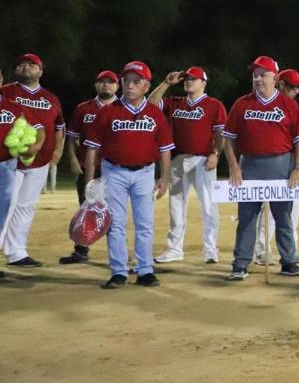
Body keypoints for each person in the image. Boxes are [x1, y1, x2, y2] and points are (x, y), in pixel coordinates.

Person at [83, 61, 174, 289]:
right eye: (126, 81)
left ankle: (145, 271)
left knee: (145, 224)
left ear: (146, 86)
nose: (130, 85)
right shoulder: (106, 112)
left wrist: (164, 178)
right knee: (115, 224)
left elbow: (165, 150)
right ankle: (119, 272)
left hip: (145, 173)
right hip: (114, 172)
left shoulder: (155, 113)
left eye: (136, 81)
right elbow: (92, 149)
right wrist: (91, 181)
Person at [222, 56, 299, 281]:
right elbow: (229, 140)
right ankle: (241, 264)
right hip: (249, 164)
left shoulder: (289, 104)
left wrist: (297, 168)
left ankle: (288, 261)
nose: (258, 79)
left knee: (283, 216)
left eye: (263, 75)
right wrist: (234, 167)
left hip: (281, 164)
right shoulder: (242, 103)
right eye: (255, 75)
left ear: (275, 78)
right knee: (247, 217)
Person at [148, 66, 227, 264]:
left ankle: (210, 250)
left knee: (209, 206)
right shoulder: (175, 103)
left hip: (203, 160)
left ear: (204, 83)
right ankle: (174, 249)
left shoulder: (213, 104)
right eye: (186, 79)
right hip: (177, 160)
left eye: (194, 78)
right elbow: (150, 105)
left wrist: (215, 153)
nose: (188, 81)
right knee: (175, 206)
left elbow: (220, 134)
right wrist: (166, 83)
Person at [1, 53, 65, 267]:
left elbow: (59, 127)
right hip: (10, 162)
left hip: (41, 161)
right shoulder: (6, 91)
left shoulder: (51, 98)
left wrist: (57, 150)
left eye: (31, 64)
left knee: (26, 206)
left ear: (40, 71)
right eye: (21, 64)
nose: (25, 67)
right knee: (5, 207)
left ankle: (16, 251)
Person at [59, 70, 119, 264]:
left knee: (116, 212)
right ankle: (81, 250)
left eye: (110, 82)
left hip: (115, 168)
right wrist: (73, 159)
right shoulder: (84, 108)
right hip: (88, 167)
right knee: (86, 208)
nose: (106, 85)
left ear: (117, 86)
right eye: (102, 82)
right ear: (96, 85)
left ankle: (117, 254)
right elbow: (72, 137)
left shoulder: (123, 108)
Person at [254, 68, 299, 266]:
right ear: (281, 84)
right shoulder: (267, 105)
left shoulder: (291, 106)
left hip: (290, 165)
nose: (297, 91)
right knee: (268, 207)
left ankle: (290, 249)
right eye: (293, 86)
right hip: (272, 164)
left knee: (291, 208)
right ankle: (261, 250)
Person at [0, 75, 45, 278]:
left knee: (1, 215)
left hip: (6, 167)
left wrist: (36, 146)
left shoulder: (12, 106)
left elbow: (39, 127)